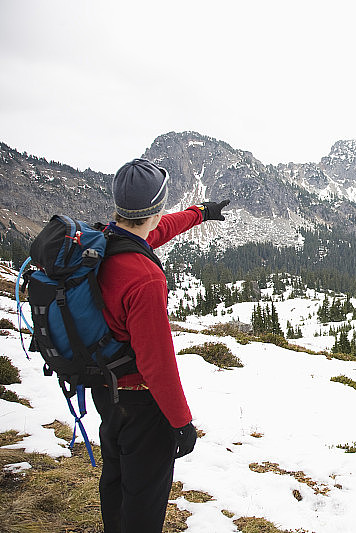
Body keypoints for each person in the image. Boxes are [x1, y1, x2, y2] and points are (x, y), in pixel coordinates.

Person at [91, 157, 229, 533]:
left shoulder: (104, 241)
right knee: (145, 494)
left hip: (106, 388)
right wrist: (181, 422)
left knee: (116, 475)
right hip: (140, 401)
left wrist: (200, 213)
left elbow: (160, 228)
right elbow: (158, 363)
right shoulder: (145, 278)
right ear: (157, 205)